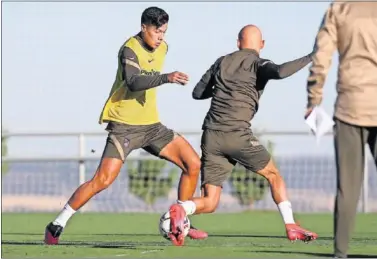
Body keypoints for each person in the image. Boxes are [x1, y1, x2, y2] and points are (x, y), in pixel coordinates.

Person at [44, 6, 208, 245]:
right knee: (102, 180)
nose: (161, 37)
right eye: (157, 31)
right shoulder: (129, 49)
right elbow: (133, 82)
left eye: (164, 32)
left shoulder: (163, 47)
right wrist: (166, 77)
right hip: (124, 128)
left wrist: (167, 77)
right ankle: (56, 224)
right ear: (144, 27)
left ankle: (181, 221)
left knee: (193, 164)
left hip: (152, 127)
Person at [167, 24, 318, 246]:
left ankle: (182, 208)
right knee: (274, 175)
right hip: (237, 134)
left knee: (210, 202)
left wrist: (222, 87)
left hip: (211, 135)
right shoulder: (259, 63)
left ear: (238, 42)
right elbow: (280, 72)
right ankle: (291, 225)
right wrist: (313, 55)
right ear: (262, 45)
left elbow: (198, 93)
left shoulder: (221, 61)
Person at [305, 2, 377, 258]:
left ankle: (340, 252)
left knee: (348, 187)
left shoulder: (340, 9)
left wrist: (313, 99)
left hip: (350, 106)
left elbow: (321, 56)